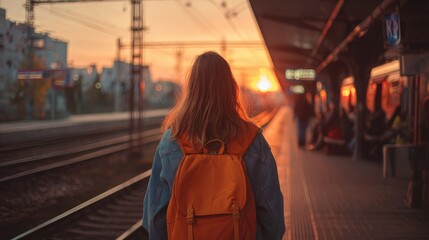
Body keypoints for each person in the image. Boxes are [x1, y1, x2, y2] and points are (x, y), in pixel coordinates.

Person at [142, 51, 285, 239]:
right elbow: (272, 216)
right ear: (231, 88)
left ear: (191, 89)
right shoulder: (252, 141)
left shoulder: (172, 140)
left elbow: (153, 217)